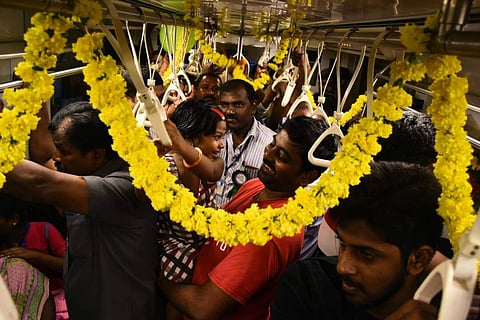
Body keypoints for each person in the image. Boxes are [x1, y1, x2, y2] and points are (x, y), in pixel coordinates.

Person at [158, 116, 338, 319]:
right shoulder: (257, 186)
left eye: (282, 157)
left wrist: (155, 273)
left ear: (307, 176)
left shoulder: (272, 231)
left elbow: (203, 307)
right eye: (272, 143)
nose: (268, 155)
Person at [2, 101, 159, 320]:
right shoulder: (81, 172)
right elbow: (42, 155)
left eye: (64, 151)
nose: (56, 157)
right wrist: (35, 85)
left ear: (96, 155)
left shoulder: (124, 186)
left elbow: (38, 183)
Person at [270, 161, 444, 319]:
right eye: (343, 245)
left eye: (366, 254)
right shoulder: (308, 287)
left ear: (418, 259)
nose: (343, 267)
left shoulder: (449, 310)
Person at [153, 99, 226, 319]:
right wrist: (150, 160)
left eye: (223, 137)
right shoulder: (165, 166)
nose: (222, 144)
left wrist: (181, 144)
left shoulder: (215, 163)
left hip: (204, 247)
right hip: (167, 252)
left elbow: (212, 173)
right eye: (217, 137)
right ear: (193, 137)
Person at [0, 193, 68, 319]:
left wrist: (36, 256)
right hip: (14, 300)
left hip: (53, 295)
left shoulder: (44, 229)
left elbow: (70, 266)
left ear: (14, 219)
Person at [216, 79, 276, 207]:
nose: (230, 111)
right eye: (225, 105)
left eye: (238, 105)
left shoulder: (270, 143)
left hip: (246, 221)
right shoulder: (212, 136)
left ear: (253, 107)